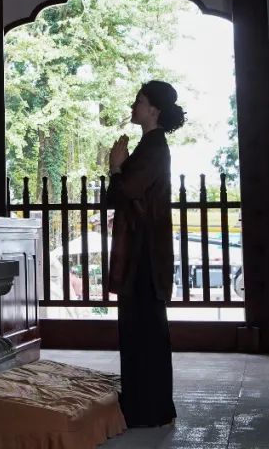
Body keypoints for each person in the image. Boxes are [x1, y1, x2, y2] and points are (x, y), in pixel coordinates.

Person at [107, 80, 186, 428]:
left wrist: (115, 167)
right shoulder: (149, 146)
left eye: (139, 101)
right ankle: (145, 405)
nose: (133, 106)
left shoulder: (154, 148)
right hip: (143, 252)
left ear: (154, 110)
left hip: (144, 256)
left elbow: (123, 192)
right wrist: (120, 166)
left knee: (144, 331)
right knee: (141, 329)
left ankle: (148, 408)